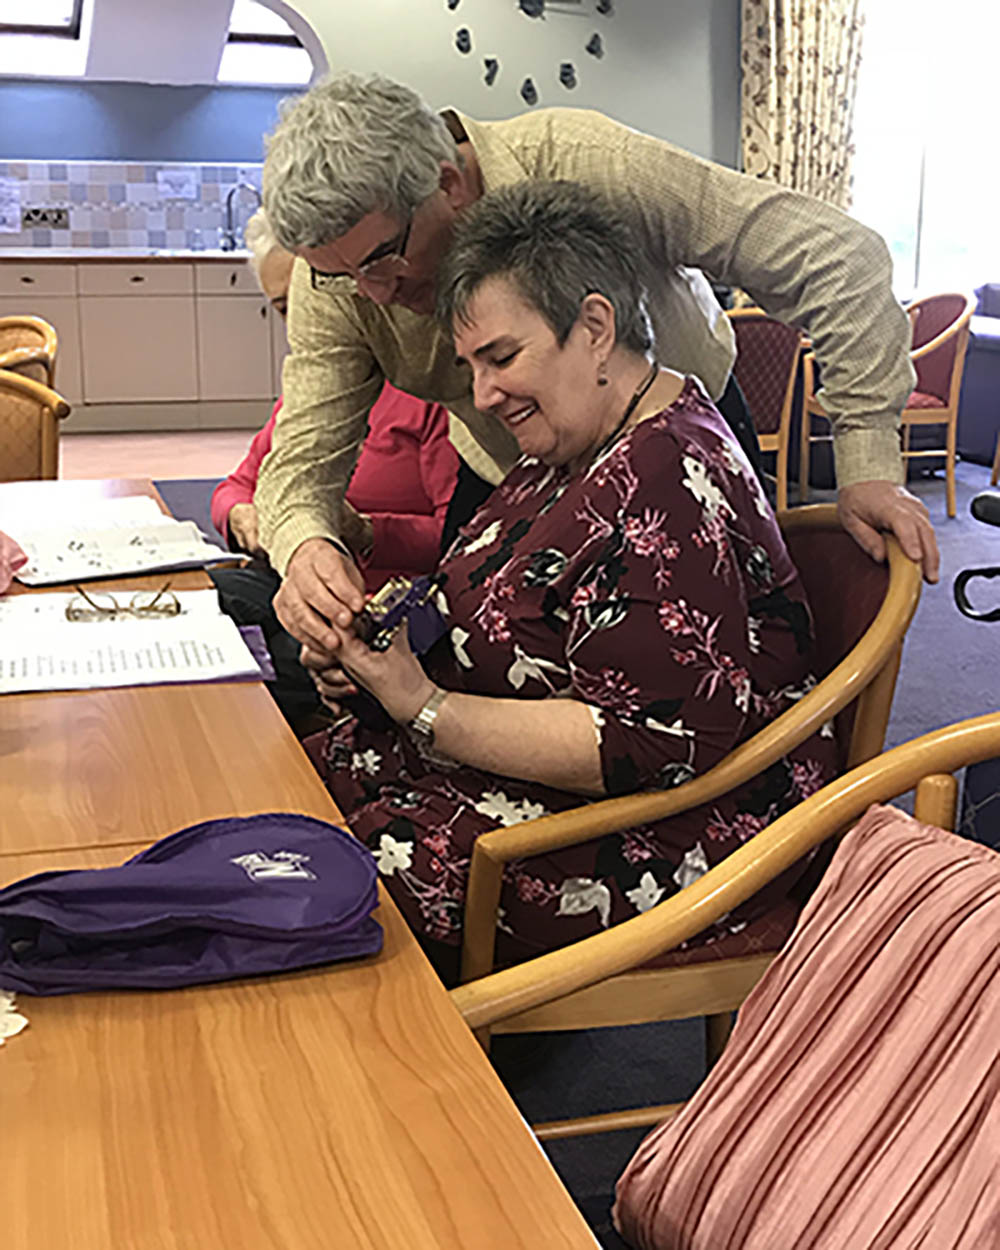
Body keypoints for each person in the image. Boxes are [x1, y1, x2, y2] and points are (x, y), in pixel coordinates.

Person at [302, 181, 838, 981]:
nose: (481, 394)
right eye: (470, 365)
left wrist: (421, 704)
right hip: (545, 786)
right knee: (288, 791)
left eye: (502, 358)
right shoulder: (574, 448)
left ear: (594, 327)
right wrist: (371, 653)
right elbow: (489, 601)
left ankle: (387, 1089)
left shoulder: (667, 474)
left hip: (679, 825)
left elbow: (651, 740)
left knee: (324, 883)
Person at [255, 72, 939, 668]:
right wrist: (305, 547)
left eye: (383, 260)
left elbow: (839, 260)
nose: (372, 293)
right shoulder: (340, 278)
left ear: (448, 183)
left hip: (678, 451)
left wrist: (868, 461)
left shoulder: (589, 162)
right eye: (339, 276)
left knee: (700, 659)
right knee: (481, 649)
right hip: (513, 469)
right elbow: (302, 458)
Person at [208, 208, 458, 730]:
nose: (299, 324)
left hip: (374, 607)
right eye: (282, 308)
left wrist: (364, 531)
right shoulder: (311, 394)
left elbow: (457, 540)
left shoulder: (429, 397)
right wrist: (244, 518)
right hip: (295, 586)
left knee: (270, 669)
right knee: (211, 603)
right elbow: (235, 486)